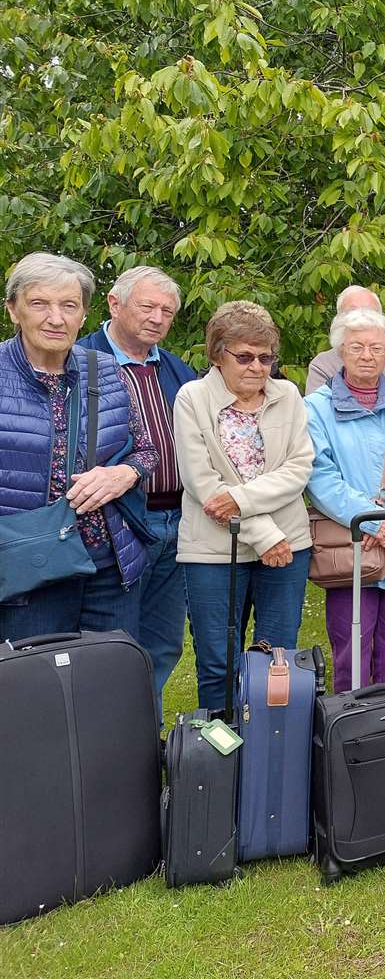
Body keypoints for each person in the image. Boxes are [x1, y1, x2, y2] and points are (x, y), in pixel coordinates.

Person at [0, 253, 158, 644]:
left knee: (108, 688)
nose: (56, 318)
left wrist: (123, 474)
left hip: (108, 566)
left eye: (69, 306)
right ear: (13, 310)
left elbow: (146, 450)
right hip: (26, 574)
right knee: (35, 693)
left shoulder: (104, 369)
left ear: (84, 315)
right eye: (39, 303)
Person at [173, 302, 313, 712]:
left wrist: (242, 500)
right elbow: (203, 485)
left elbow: (299, 467)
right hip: (212, 551)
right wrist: (265, 534)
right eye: (245, 356)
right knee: (218, 662)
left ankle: (269, 757)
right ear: (218, 355)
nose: (257, 366)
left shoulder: (288, 395)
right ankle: (218, 765)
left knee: (276, 661)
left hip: (288, 547)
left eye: (266, 357)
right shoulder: (192, 398)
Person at [77, 265, 197, 698]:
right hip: (119, 522)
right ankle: (109, 745)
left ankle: (146, 740)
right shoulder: (82, 362)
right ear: (114, 303)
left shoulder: (177, 370)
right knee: (112, 643)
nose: (158, 318)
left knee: (163, 643)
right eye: (148, 306)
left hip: (176, 523)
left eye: (167, 311)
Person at [305, 308, 385, 690]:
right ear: (339, 352)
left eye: (376, 347)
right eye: (357, 346)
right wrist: (371, 521)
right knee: (351, 643)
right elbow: (319, 475)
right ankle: (352, 720)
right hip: (351, 544)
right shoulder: (316, 408)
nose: (367, 355)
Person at [305, 285, 385, 397]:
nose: (362, 317)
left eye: (369, 312)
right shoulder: (322, 365)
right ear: (338, 320)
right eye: (352, 312)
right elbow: (318, 412)